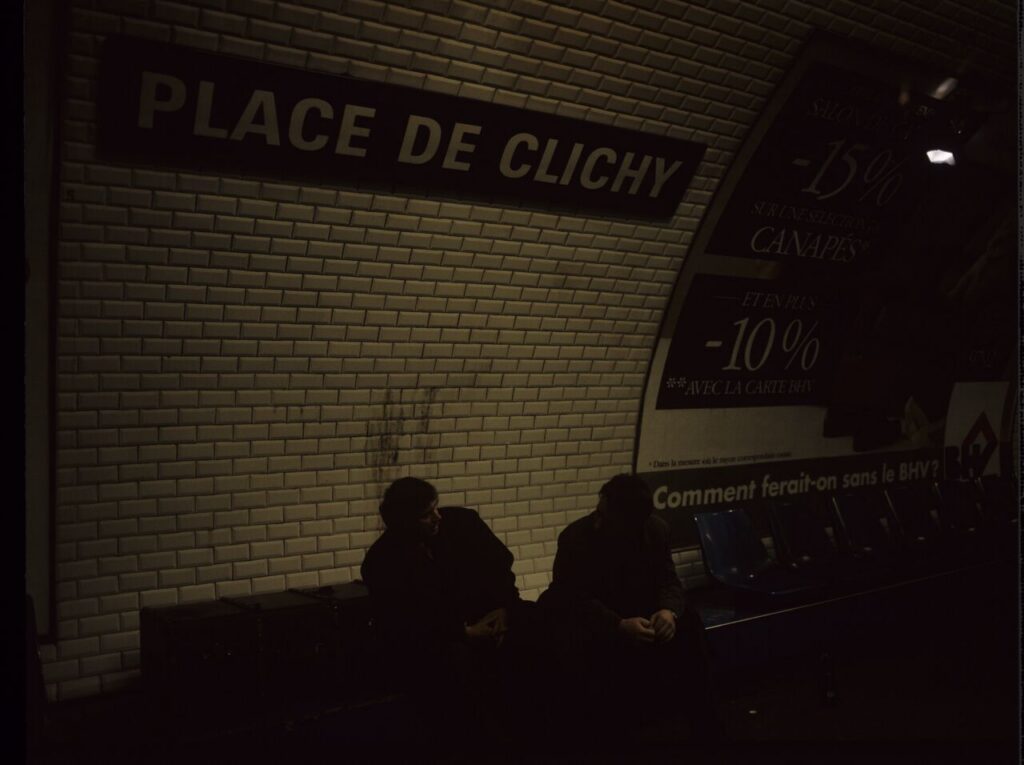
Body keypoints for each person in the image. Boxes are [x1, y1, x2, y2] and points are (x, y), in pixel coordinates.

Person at [538, 473, 724, 744]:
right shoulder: (576, 538)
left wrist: (668, 612)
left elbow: (668, 579)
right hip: (597, 614)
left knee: (689, 623)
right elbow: (572, 598)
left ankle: (708, 729)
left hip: (638, 607)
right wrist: (617, 624)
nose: (599, 521)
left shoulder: (655, 530)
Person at [359, 477, 533, 747]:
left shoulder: (462, 524)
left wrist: (503, 607)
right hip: (439, 640)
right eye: (426, 515)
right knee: (456, 664)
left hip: (485, 617)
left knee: (534, 624)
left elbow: (499, 565)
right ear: (405, 522)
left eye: (435, 508)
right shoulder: (382, 562)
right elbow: (406, 622)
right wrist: (463, 633)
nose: (436, 517)